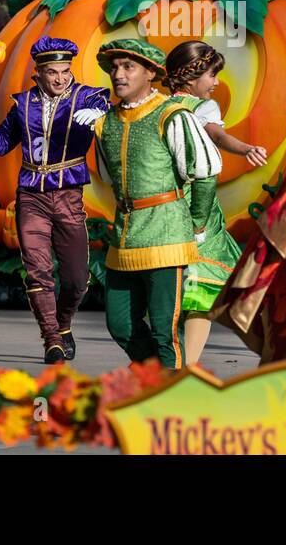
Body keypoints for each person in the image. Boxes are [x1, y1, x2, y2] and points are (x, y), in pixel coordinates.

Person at [0, 36, 111, 363]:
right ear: (39, 72)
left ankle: (63, 325)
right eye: (53, 72)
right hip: (31, 195)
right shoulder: (23, 104)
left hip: (68, 196)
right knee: (37, 271)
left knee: (77, 278)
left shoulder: (88, 97)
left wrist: (100, 116)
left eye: (65, 71)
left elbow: (111, 114)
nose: (61, 78)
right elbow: (2, 145)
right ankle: (51, 339)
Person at [92, 38, 220, 369]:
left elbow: (204, 173)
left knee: (166, 332)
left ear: (151, 73)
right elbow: (109, 178)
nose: (118, 74)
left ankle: (170, 400)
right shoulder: (106, 123)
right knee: (120, 325)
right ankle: (159, 379)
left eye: (128, 66)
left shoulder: (173, 115)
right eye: (114, 68)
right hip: (124, 239)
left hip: (167, 236)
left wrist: (197, 223)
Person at [162, 41, 259, 365]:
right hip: (169, 205)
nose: (217, 82)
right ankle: (269, 347)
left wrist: (244, 148)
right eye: (212, 75)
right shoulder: (159, 107)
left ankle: (187, 367)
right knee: (200, 287)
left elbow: (217, 136)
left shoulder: (203, 109)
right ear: (190, 76)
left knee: (203, 284)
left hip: (196, 205)